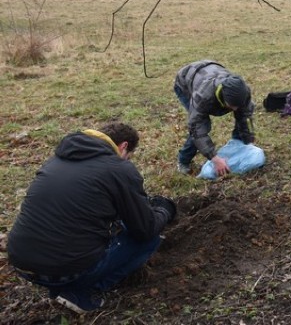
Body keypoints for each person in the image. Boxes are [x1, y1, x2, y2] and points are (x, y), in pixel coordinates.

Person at [6, 122, 177, 314]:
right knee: (148, 240)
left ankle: (61, 284)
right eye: (129, 157)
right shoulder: (119, 169)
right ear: (124, 147)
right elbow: (146, 229)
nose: (128, 161)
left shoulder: (55, 161)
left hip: (21, 263)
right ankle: (82, 292)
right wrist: (165, 210)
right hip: (64, 271)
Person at [174, 60, 255, 175]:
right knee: (202, 126)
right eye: (232, 106)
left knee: (242, 113)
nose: (235, 109)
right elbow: (196, 129)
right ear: (222, 97)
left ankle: (238, 144)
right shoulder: (202, 97)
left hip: (211, 68)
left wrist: (248, 142)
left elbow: (245, 116)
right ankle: (183, 160)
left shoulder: (242, 92)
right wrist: (215, 159)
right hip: (185, 81)